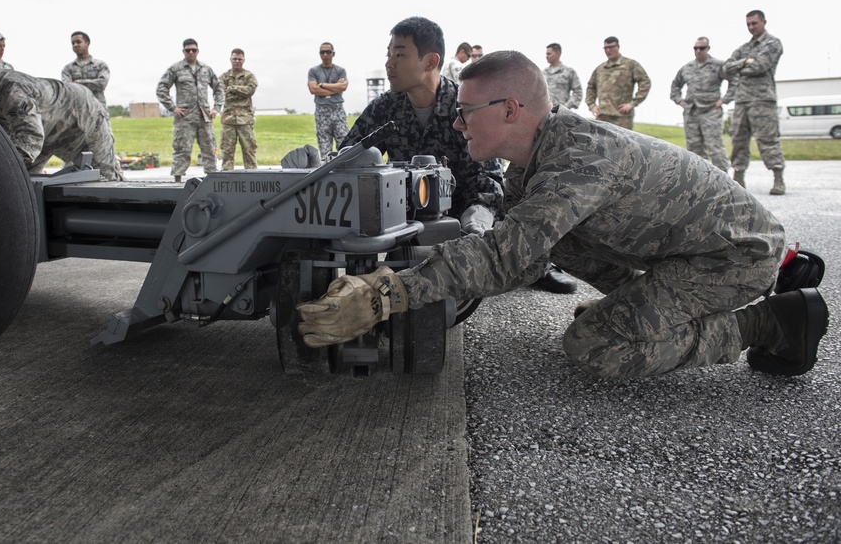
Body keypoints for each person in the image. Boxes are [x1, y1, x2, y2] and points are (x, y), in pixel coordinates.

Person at [297, 50, 830, 380]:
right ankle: (642, 309)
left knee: (596, 344)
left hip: (734, 257)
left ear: (509, 109)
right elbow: (516, 256)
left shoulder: (578, 157)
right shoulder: (527, 169)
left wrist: (386, 293)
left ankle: (771, 322)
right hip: (689, 251)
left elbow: (504, 257)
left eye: (465, 114)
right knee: (553, 242)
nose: (458, 126)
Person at [338, 17, 576, 294]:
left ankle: (535, 263)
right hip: (405, 214)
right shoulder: (384, 108)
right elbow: (348, 157)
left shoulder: (464, 105)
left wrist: (479, 215)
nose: (390, 63)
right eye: (388, 54)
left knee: (518, 197)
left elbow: (487, 177)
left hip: (463, 213)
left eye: (400, 54)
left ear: (430, 62)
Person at [0, 50, 123, 181]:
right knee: (22, 187)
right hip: (44, 133)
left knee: (105, 182)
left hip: (81, 121)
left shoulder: (8, 87)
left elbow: (29, 139)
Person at [722, 10, 786, 195]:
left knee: (768, 139)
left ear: (764, 22)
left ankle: (778, 178)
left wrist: (739, 66)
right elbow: (726, 69)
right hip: (742, 100)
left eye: (754, 23)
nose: (751, 27)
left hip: (762, 100)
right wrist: (745, 62)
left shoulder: (773, 43)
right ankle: (738, 178)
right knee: (739, 140)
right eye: (748, 24)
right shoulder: (744, 48)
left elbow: (760, 66)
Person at [156, 38, 224, 181]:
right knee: (182, 150)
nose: (191, 52)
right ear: (183, 51)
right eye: (188, 50)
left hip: (204, 117)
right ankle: (177, 180)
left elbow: (219, 89)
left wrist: (216, 108)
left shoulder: (206, 69)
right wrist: (172, 107)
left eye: (194, 50)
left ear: (198, 51)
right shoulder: (176, 69)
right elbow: (161, 88)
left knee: (210, 150)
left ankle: (212, 180)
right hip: (185, 118)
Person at [670, 37, 730, 172]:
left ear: (708, 49)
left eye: (701, 48)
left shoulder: (719, 65)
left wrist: (724, 100)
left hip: (711, 111)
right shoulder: (687, 67)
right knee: (694, 149)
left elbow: (735, 81)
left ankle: (723, 180)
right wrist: (679, 100)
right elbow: (675, 85)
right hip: (691, 112)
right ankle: (700, 180)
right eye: (695, 48)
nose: (698, 51)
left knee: (715, 147)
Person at [585, 36, 650, 130]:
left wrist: (632, 103)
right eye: (605, 48)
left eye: (611, 47)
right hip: (602, 117)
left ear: (618, 47)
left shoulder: (630, 65)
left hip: (622, 118)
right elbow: (591, 87)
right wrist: (591, 105)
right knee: (601, 144)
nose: (608, 50)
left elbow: (645, 82)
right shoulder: (600, 69)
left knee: (623, 144)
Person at [218, 48, 259, 170]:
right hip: (228, 120)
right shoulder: (223, 77)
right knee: (227, 152)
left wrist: (231, 88)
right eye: (234, 59)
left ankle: (252, 178)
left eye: (239, 59)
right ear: (230, 59)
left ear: (243, 60)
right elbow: (221, 93)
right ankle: (227, 179)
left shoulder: (249, 76)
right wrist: (240, 90)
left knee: (249, 151)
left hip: (245, 120)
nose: (237, 61)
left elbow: (249, 91)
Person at [308, 42, 349, 158]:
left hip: (337, 109)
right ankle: (328, 172)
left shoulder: (340, 70)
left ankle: (345, 171)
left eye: (328, 52)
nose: (325, 54)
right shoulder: (314, 71)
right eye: (322, 52)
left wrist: (322, 85)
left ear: (333, 53)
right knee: (324, 146)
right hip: (322, 110)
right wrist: (335, 87)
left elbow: (343, 87)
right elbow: (313, 89)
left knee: (344, 143)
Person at [61, 31, 110, 108]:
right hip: (76, 110)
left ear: (87, 43)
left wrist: (77, 83)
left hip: (98, 108)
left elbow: (102, 83)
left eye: (78, 42)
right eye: (73, 43)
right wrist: (91, 83)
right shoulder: (67, 69)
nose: (75, 45)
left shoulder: (101, 65)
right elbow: (67, 89)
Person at [543, 43, 583, 109]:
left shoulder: (569, 72)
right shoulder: (543, 73)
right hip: (545, 113)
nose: (546, 56)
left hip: (561, 114)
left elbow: (578, 91)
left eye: (549, 54)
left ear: (558, 53)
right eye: (546, 54)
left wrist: (567, 105)